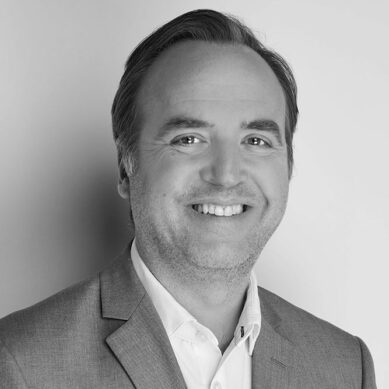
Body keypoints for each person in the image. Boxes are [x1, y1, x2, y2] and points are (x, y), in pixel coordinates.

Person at [0, 9, 376, 389]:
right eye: (188, 139)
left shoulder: (345, 366)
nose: (226, 173)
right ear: (125, 169)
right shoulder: (20, 363)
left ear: (288, 166)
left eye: (256, 141)